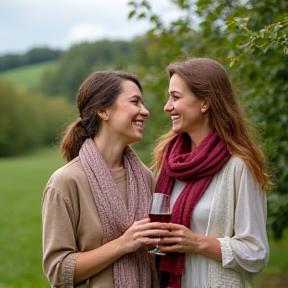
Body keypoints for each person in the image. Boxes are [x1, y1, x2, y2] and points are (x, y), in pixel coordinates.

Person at [42, 70, 168, 288]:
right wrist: (123, 244)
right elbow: (58, 270)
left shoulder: (145, 177)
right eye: (135, 102)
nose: (145, 111)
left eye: (143, 103)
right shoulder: (66, 182)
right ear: (103, 111)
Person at [152, 58, 269, 288]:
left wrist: (196, 243)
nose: (167, 106)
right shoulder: (167, 162)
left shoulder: (238, 165)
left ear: (205, 103)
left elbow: (256, 253)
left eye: (175, 97)